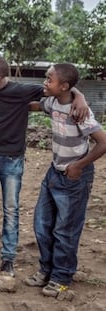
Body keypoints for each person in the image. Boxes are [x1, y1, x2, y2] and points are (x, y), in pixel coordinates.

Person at [0, 56, 88, 287]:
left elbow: (59, 88)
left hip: (13, 161)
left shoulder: (22, 91)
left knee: (11, 211)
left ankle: (8, 261)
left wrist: (80, 96)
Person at [25, 63, 106, 299]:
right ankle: (46, 270)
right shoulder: (51, 102)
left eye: (49, 79)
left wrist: (78, 166)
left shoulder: (80, 111)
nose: (44, 83)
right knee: (42, 224)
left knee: (65, 230)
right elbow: (33, 105)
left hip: (74, 176)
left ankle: (61, 278)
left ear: (64, 86)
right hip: (54, 172)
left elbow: (103, 142)